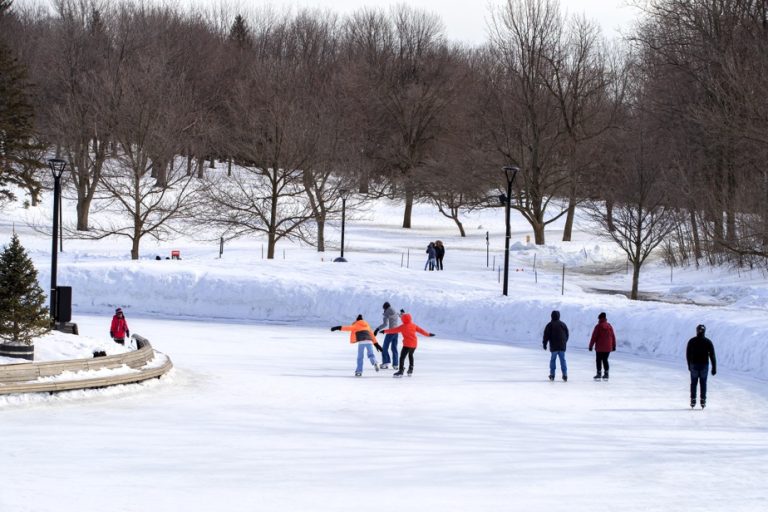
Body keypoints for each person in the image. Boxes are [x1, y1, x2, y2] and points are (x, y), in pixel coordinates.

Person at [381, 313, 435, 377]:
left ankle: (401, 371)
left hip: (407, 345)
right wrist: (428, 334)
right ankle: (410, 369)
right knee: (410, 355)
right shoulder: (414, 325)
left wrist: (384, 331)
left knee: (402, 357)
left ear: (403, 319)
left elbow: (393, 330)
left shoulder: (402, 327)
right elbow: (421, 331)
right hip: (414, 344)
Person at [686, 324, 717, 409]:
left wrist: (689, 365)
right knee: (703, 383)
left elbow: (688, 354)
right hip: (704, 366)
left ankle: (693, 399)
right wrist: (714, 367)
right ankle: (703, 400)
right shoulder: (708, 342)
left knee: (694, 383)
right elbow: (712, 355)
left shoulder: (692, 341)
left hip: (694, 365)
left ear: (696, 331)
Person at [589, 312, 617, 380]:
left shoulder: (598, 326)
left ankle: (599, 373)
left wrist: (591, 346)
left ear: (600, 318)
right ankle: (606, 374)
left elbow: (594, 337)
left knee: (598, 360)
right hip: (608, 347)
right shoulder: (609, 326)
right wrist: (614, 346)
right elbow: (613, 336)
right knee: (605, 360)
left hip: (600, 347)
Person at [373, 302, 401, 370]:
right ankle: (396, 364)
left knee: (385, 347)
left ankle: (385, 362)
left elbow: (385, 324)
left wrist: (377, 329)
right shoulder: (395, 311)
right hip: (396, 332)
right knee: (394, 348)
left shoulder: (387, 312)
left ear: (385, 307)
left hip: (391, 332)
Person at [542, 310, 569, 381]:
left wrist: (544, 344)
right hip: (562, 346)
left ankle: (552, 374)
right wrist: (564, 342)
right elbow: (567, 334)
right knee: (563, 360)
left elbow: (546, 335)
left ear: (551, 316)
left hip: (554, 346)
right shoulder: (563, 324)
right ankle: (565, 375)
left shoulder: (549, 325)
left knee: (553, 360)